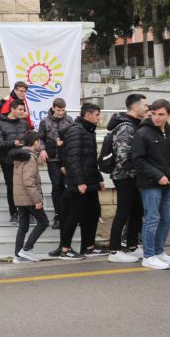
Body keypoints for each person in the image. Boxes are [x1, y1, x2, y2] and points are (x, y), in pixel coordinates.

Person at [132, 99, 170, 270]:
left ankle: (159, 251)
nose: (157, 117)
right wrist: (157, 176)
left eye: (161, 114)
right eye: (154, 113)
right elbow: (138, 160)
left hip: (168, 184)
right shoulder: (142, 133)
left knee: (169, 217)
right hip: (149, 184)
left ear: (168, 115)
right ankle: (148, 256)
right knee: (152, 219)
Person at [52, 103, 106, 259]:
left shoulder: (88, 130)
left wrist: (99, 178)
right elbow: (73, 159)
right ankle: (65, 250)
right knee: (73, 216)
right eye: (97, 114)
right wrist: (80, 182)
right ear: (87, 115)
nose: (98, 117)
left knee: (93, 213)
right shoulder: (76, 131)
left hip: (90, 181)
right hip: (79, 182)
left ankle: (88, 247)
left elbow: (90, 158)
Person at [105, 94, 147, 263]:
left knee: (137, 211)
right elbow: (123, 156)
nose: (147, 107)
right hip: (124, 176)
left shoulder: (135, 124)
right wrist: (139, 168)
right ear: (135, 107)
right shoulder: (126, 127)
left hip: (133, 176)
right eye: (145, 105)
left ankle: (132, 246)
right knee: (123, 212)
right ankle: (114, 251)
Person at [11, 131, 48, 262]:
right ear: (35, 142)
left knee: (23, 226)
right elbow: (29, 181)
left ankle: (17, 255)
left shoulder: (20, 156)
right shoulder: (30, 157)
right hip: (29, 197)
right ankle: (26, 249)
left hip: (20, 197)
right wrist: (37, 200)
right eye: (39, 141)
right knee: (44, 222)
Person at [37, 98, 73, 229]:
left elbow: (73, 136)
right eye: (58, 110)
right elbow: (40, 138)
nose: (61, 113)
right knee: (56, 185)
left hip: (66, 158)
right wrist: (42, 150)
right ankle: (58, 215)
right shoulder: (44, 121)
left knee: (66, 186)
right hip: (52, 158)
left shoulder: (69, 120)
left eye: (63, 110)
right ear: (53, 108)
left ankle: (66, 213)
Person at [0, 99, 30, 224]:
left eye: (23, 109)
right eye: (19, 109)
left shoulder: (24, 123)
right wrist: (12, 143)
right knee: (12, 187)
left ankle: (27, 213)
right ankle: (14, 213)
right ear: (12, 109)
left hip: (23, 159)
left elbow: (28, 140)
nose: (22, 112)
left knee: (25, 186)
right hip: (8, 161)